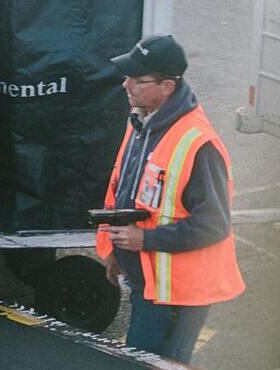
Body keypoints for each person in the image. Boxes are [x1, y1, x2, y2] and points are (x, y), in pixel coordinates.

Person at [96, 34, 245, 363]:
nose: (126, 85)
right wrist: (118, 251)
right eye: (127, 76)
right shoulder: (142, 122)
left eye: (138, 79)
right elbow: (131, 195)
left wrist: (144, 239)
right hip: (150, 284)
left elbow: (214, 225)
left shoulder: (199, 144)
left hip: (177, 295)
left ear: (167, 87)